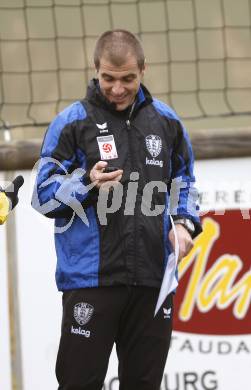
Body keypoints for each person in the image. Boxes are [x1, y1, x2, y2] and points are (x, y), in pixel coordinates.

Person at [32, 29, 201, 390]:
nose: (118, 88)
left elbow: (185, 181)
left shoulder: (167, 121)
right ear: (97, 70)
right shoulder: (72, 122)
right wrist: (88, 185)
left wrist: (184, 223)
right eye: (109, 78)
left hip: (153, 280)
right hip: (92, 282)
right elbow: (42, 193)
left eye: (128, 79)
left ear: (143, 70)